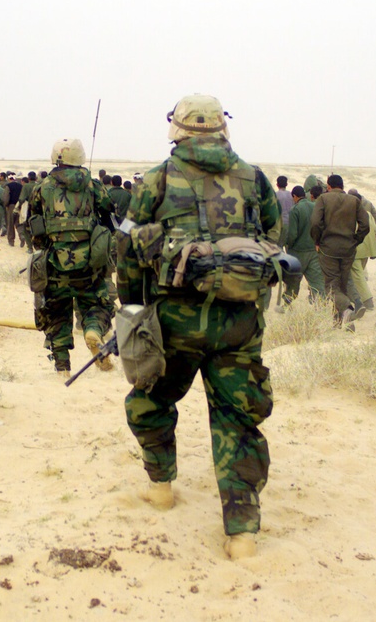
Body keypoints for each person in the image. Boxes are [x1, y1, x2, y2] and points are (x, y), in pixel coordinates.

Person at [116, 94, 280, 560]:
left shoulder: (156, 179)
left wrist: (132, 309)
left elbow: (127, 250)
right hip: (240, 324)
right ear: (221, 128)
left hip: (174, 322)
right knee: (238, 419)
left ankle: (161, 487)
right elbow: (272, 240)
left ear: (179, 128)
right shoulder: (254, 177)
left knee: (152, 398)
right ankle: (242, 533)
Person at [28, 139, 116, 374]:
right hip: (90, 265)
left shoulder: (42, 188)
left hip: (54, 265)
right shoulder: (94, 186)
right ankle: (94, 331)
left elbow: (34, 223)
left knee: (56, 313)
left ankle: (62, 367)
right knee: (98, 304)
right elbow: (110, 216)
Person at [310, 174, 368, 327]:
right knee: (342, 284)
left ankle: (347, 309)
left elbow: (315, 223)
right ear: (342, 186)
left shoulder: (323, 199)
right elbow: (365, 225)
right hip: (348, 250)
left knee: (331, 286)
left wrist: (317, 240)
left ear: (328, 186)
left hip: (328, 249)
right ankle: (342, 323)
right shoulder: (354, 200)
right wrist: (356, 240)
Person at [282, 185, 325, 303]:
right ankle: (320, 305)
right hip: (313, 251)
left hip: (298, 252)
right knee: (317, 282)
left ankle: (287, 304)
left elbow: (292, 235)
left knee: (293, 281)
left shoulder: (295, 210)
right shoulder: (315, 207)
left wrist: (288, 245)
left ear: (294, 196)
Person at [347, 188, 376, 317]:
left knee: (358, 277)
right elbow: (375, 233)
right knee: (358, 277)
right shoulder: (368, 214)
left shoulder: (350, 215)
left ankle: (367, 301)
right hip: (367, 250)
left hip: (356, 250)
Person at [275, 175, 293, 246]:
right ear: (286, 184)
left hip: (280, 224)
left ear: (277, 184)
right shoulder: (291, 195)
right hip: (290, 223)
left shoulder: (275, 195)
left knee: (279, 246)